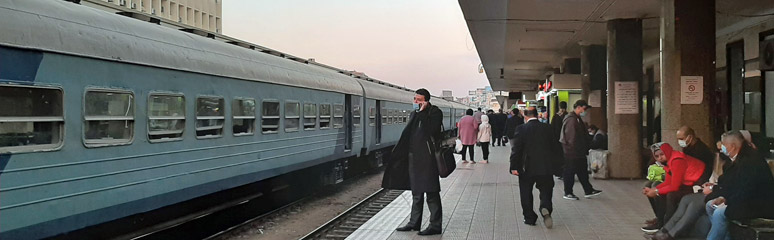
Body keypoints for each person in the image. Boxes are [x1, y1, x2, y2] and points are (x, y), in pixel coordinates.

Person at [381, 88, 444, 236]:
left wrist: (422, 113)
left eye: (419, 100)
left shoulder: (434, 112)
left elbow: (431, 130)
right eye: (415, 99)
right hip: (413, 157)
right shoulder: (413, 113)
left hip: (428, 158)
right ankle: (414, 223)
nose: (415, 102)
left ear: (426, 101)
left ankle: (435, 225)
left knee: (431, 192)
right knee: (416, 192)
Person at [703, 130, 774, 240]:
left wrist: (727, 200)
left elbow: (746, 189)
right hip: (745, 199)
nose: (722, 149)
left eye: (724, 145)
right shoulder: (741, 157)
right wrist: (723, 197)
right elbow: (734, 184)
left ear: (732, 146)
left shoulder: (749, 160)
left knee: (719, 213)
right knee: (710, 206)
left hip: (758, 203)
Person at [510, 107, 562, 228]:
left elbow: (516, 150)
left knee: (526, 192)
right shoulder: (548, 128)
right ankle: (545, 207)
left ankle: (530, 218)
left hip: (526, 168)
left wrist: (514, 166)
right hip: (546, 167)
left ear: (525, 116)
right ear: (537, 115)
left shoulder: (521, 129)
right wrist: (558, 166)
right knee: (546, 190)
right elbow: (557, 148)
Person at [641, 143, 706, 233]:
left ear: (667, 152)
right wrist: (653, 190)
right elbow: (668, 182)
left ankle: (666, 225)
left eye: (662, 154)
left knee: (671, 195)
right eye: (657, 156)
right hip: (686, 182)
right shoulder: (668, 160)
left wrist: (656, 191)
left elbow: (675, 186)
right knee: (651, 186)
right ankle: (660, 220)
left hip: (696, 184)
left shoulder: (677, 160)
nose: (660, 158)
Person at [559, 100, 602, 200]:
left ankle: (588, 190)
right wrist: (575, 149)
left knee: (582, 171)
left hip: (578, 152)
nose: (585, 111)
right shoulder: (572, 120)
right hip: (572, 152)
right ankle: (568, 192)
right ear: (578, 107)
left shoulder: (576, 118)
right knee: (569, 172)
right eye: (584, 108)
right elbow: (571, 138)